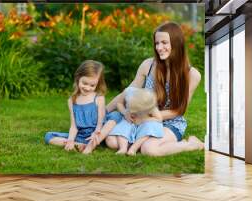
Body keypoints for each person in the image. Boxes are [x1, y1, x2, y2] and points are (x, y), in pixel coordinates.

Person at [84, 22, 204, 156]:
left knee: (149, 149)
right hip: (142, 118)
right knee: (111, 141)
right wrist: (103, 112)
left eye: (164, 43)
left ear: (176, 43)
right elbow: (127, 94)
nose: (159, 47)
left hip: (170, 123)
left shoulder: (192, 75)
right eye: (157, 43)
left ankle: (191, 144)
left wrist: (146, 118)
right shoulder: (148, 65)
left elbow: (178, 110)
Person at [44, 60, 108, 152]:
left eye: (92, 85)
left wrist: (96, 133)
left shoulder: (99, 98)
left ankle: (86, 145)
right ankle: (77, 145)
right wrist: (70, 140)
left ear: (98, 83)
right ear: (78, 78)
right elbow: (74, 126)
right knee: (48, 136)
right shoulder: (72, 100)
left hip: (95, 136)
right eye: (84, 83)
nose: (87, 88)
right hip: (80, 136)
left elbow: (100, 122)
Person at [108, 87, 164, 156]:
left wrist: (143, 120)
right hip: (129, 120)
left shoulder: (151, 107)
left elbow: (159, 119)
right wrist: (125, 112)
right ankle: (123, 148)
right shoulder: (129, 93)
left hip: (143, 124)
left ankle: (133, 148)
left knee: (150, 127)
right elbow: (119, 103)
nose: (133, 112)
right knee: (123, 126)